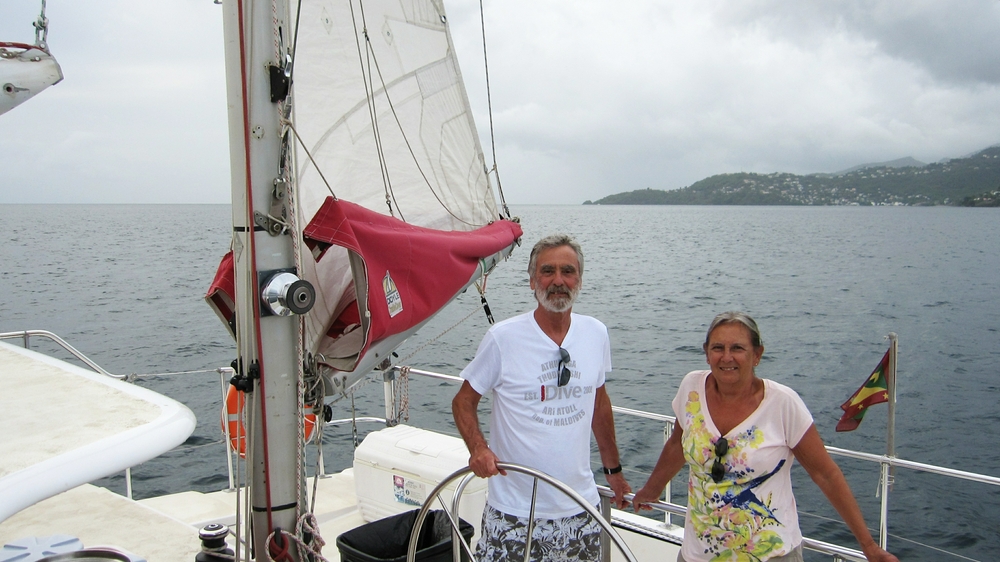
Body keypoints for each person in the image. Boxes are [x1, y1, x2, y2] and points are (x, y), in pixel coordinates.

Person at [632, 312, 898, 562]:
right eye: (717, 348)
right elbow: (677, 444)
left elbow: (826, 474)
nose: (727, 357)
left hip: (771, 554)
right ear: (706, 353)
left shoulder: (782, 403)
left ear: (757, 355)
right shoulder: (691, 387)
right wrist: (651, 490)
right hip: (698, 553)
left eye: (737, 348)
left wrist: (869, 547)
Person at [452, 234, 631, 562]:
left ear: (579, 279)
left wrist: (613, 470)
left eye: (568, 271)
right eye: (548, 271)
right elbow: (463, 400)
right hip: (514, 512)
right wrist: (478, 448)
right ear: (532, 280)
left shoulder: (596, 333)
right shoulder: (502, 339)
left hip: (579, 508)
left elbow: (599, 402)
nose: (558, 281)